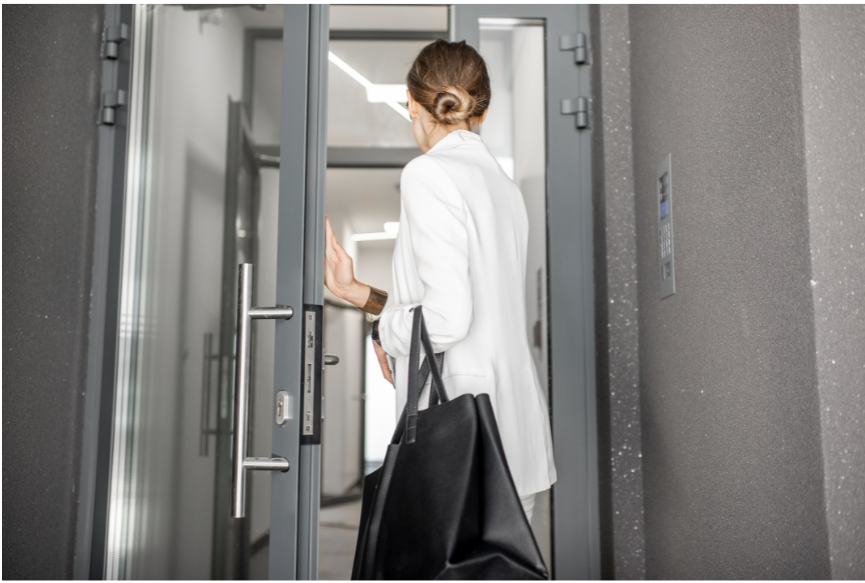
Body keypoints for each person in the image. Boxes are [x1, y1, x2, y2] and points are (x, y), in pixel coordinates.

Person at [323, 39, 555, 522]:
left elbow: (447, 319)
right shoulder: (503, 187)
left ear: (410, 101)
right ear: (481, 111)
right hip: (509, 432)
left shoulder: (428, 174)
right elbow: (463, 303)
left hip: (458, 440)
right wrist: (359, 296)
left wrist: (385, 333)